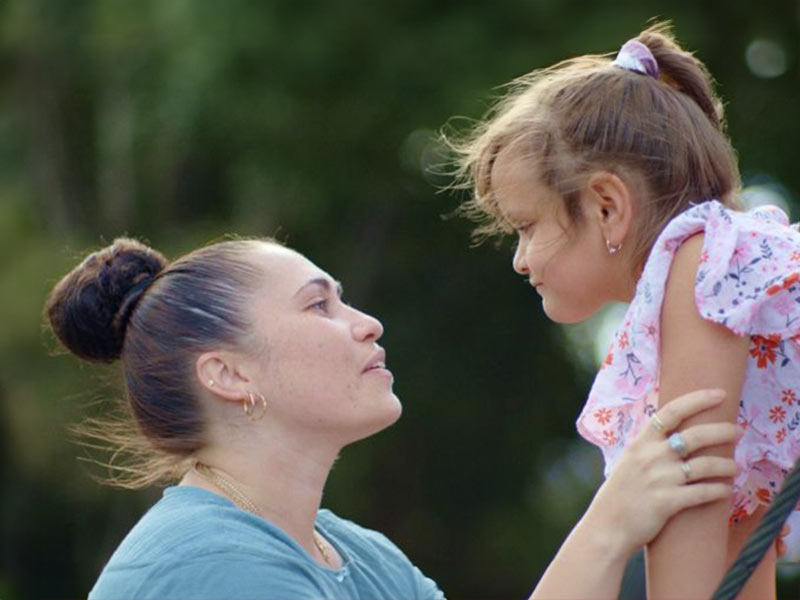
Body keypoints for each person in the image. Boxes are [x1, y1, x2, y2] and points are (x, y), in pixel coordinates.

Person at [45, 236, 738, 599]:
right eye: (320, 306)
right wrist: (610, 522)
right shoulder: (207, 569)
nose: (367, 324)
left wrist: (615, 525)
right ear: (229, 374)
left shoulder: (357, 555)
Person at [449, 20, 800, 600]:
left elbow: (689, 519)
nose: (519, 260)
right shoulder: (724, 287)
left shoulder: (698, 267)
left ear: (608, 207)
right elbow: (739, 559)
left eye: (526, 227)